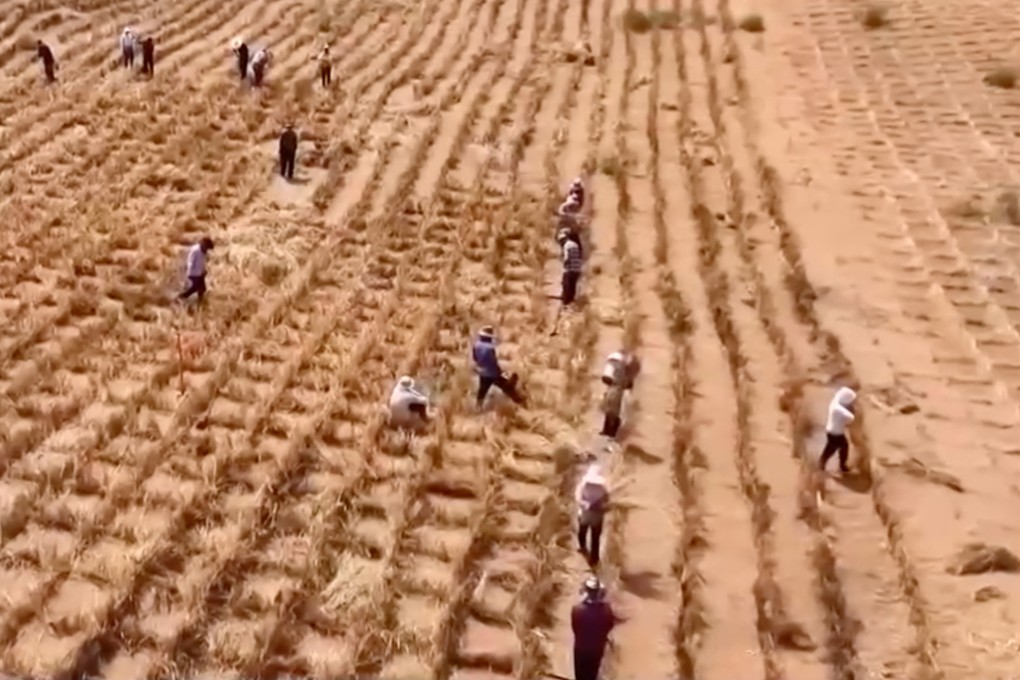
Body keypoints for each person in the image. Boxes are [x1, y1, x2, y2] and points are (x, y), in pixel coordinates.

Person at [571, 576, 617, 680]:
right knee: (592, 675)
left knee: (580, 675)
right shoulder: (606, 610)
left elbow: (575, 629)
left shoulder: (577, 609)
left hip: (581, 649)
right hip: (596, 649)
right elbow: (609, 626)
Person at [471, 326, 523, 409]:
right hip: (492, 373)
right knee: (507, 388)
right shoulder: (490, 348)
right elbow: (493, 362)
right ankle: (520, 402)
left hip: (482, 372)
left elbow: (475, 358)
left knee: (482, 391)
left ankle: (478, 407)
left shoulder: (476, 345)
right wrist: (500, 371)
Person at [575, 463, 609, 567]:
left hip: (597, 516)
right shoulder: (582, 485)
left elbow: (607, 503)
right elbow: (577, 497)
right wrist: (584, 504)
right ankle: (583, 547)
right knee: (582, 533)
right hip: (585, 514)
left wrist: (601, 506)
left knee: (595, 538)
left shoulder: (603, 489)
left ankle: (594, 559)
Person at [820, 386, 857, 474]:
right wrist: (853, 411)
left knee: (832, 448)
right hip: (836, 433)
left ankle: (822, 464)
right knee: (839, 447)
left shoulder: (835, 401)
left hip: (831, 431)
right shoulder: (838, 409)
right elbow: (851, 418)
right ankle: (841, 466)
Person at [179, 237, 214, 304]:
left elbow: (203, 261)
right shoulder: (195, 250)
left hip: (200, 273)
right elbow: (190, 260)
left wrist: (204, 270)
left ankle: (200, 302)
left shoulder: (204, 251)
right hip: (193, 273)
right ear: (203, 244)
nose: (207, 249)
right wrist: (190, 269)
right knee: (195, 288)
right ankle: (182, 297)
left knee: (202, 288)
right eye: (207, 247)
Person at [558, 228, 583, 306]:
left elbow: (566, 257)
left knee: (567, 284)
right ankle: (571, 300)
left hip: (570, 268)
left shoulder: (566, 246)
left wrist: (564, 265)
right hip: (577, 268)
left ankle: (566, 301)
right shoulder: (575, 244)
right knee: (573, 285)